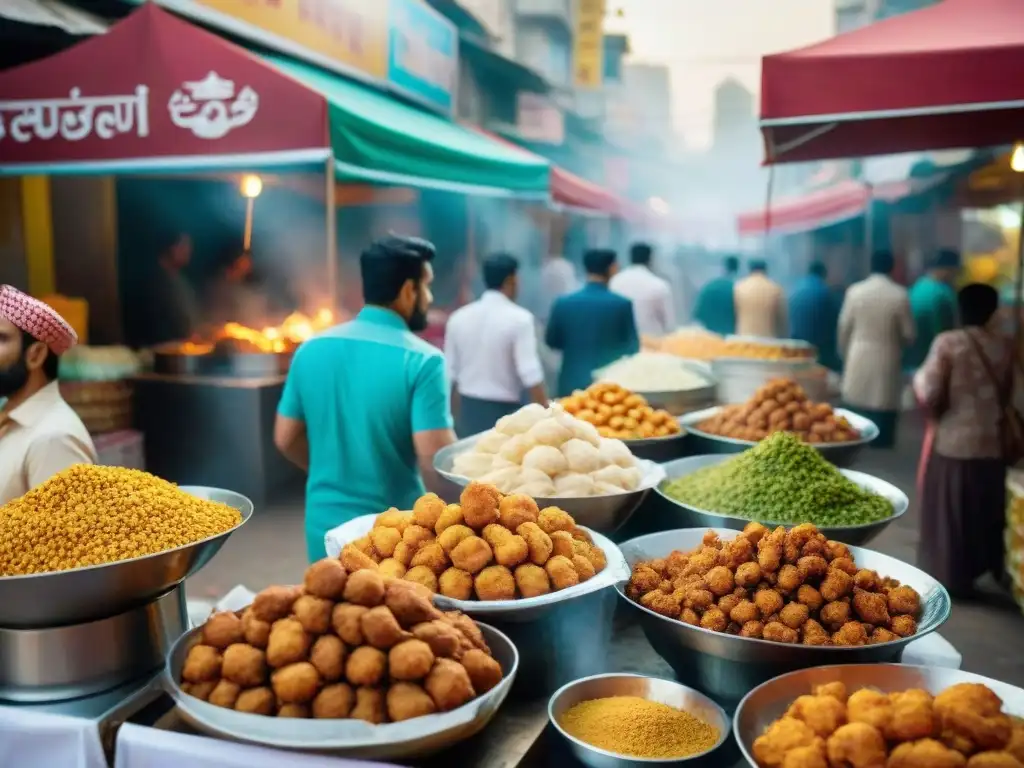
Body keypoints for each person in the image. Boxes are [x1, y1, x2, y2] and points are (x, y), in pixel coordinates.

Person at [274, 236, 456, 561]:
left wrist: (333, 473)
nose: (428, 297)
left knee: (330, 608)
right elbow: (434, 460)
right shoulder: (423, 361)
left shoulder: (311, 349)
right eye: (426, 287)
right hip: (392, 538)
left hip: (324, 528)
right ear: (408, 291)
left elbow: (285, 439)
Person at [913, 283, 1015, 597]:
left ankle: (953, 579)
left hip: (954, 442)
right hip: (993, 443)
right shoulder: (1005, 345)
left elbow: (928, 390)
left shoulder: (948, 342)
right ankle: (982, 569)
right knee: (985, 509)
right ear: (993, 311)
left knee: (952, 513)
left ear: (960, 309)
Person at [0, 285, 96, 505]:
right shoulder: (9, 417)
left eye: (1, 337)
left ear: (36, 355)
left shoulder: (53, 438)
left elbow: (67, 536)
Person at [445, 253, 546, 437]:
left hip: (468, 412)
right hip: (505, 414)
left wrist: (449, 417)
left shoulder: (458, 317)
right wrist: (547, 415)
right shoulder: (520, 319)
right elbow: (530, 373)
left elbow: (449, 372)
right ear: (511, 280)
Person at [838, 250, 915, 448]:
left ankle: (854, 440)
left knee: (857, 398)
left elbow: (844, 326)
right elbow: (909, 334)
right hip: (887, 353)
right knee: (884, 400)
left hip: (859, 351)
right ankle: (882, 442)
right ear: (892, 267)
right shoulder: (900, 294)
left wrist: (843, 352)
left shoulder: (855, 291)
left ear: (870, 266)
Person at [545, 249, 640, 396]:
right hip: (609, 387)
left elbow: (552, 342)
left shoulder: (563, 303)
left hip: (571, 381)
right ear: (612, 268)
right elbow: (632, 348)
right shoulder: (621, 304)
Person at [904, 249, 960, 371]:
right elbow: (950, 333)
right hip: (933, 364)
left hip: (911, 363)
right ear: (948, 270)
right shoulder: (944, 294)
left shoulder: (916, 288)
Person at [609, 242, 676, 337]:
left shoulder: (614, 282)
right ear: (650, 259)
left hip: (622, 343)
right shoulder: (659, 285)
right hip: (653, 344)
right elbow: (669, 324)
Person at [148, 232, 200, 344]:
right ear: (171, 248)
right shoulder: (154, 282)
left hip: (187, 346)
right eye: (183, 246)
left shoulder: (181, 280)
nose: (188, 251)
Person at [788, 261, 841, 370]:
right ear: (823, 274)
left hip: (796, 344)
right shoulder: (825, 292)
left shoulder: (796, 288)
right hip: (818, 348)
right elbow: (833, 323)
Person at [693, 255, 738, 335]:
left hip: (710, 335)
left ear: (724, 267)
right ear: (736, 269)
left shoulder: (710, 286)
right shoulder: (740, 290)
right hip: (732, 337)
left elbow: (697, 314)